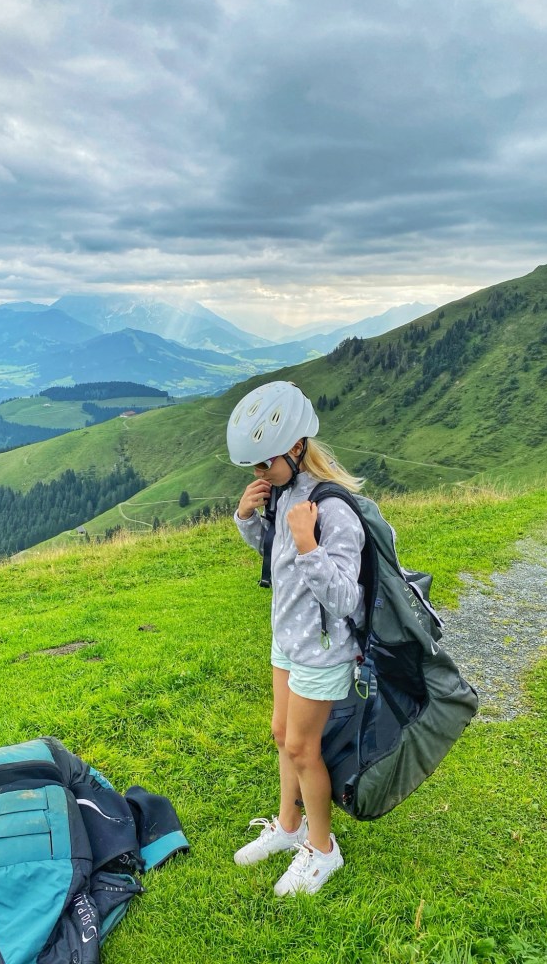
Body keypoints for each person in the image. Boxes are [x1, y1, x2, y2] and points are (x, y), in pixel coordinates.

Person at [226, 380, 365, 896]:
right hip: (287, 639)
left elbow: (345, 598)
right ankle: (289, 826)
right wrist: (246, 517)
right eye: (253, 467)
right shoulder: (287, 493)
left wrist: (309, 544)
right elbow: (277, 558)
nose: (259, 474)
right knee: (282, 734)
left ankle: (323, 849)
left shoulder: (334, 508)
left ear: (297, 446)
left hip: (320, 651)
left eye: (265, 463)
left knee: (304, 748)